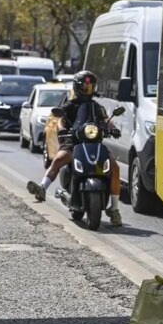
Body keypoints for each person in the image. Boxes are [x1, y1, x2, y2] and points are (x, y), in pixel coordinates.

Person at [26, 70, 123, 227]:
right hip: (74, 143)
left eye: (91, 86)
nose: (88, 89)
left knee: (115, 168)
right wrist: (62, 128)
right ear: (78, 87)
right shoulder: (70, 105)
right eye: (85, 86)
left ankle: (114, 209)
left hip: (95, 144)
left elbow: (106, 119)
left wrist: (113, 128)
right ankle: (42, 187)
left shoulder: (96, 106)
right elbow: (60, 120)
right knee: (58, 159)